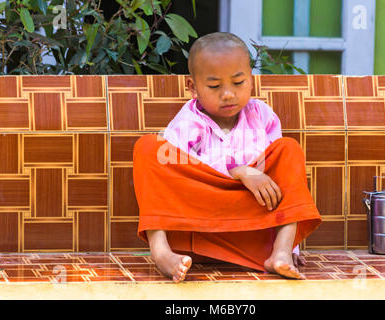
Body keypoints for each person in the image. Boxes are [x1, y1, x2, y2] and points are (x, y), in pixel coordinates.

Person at [133, 32, 322, 283]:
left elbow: (281, 178)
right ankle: (161, 252)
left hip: (251, 227)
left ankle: (282, 251)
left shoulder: (263, 117)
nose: (228, 94)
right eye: (214, 86)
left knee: (289, 150)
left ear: (251, 80)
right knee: (148, 148)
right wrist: (239, 171)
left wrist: (295, 244)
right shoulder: (188, 121)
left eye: (238, 82)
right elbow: (180, 177)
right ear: (193, 87)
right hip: (196, 229)